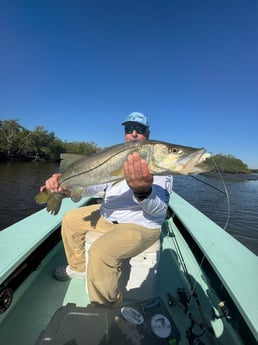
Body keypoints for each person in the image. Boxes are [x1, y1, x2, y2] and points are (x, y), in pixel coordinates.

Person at [40, 112, 173, 308]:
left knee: (100, 252)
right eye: (129, 129)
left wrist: (143, 191)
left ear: (148, 133)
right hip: (107, 217)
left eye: (140, 129)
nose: (134, 133)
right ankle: (79, 268)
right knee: (71, 219)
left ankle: (107, 307)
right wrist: (64, 187)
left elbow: (159, 210)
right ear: (125, 133)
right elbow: (93, 186)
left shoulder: (159, 166)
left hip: (140, 226)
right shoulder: (114, 155)